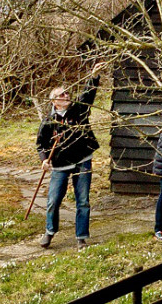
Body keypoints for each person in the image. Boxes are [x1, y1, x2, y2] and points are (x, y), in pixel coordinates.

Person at [36, 79, 100, 249]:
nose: (67, 95)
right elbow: (41, 144)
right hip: (60, 164)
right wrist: (44, 160)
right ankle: (50, 231)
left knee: (83, 201)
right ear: (54, 102)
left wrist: (94, 76)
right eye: (62, 94)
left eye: (67, 93)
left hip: (82, 160)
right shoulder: (48, 121)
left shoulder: (79, 109)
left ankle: (81, 237)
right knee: (53, 201)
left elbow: (88, 94)